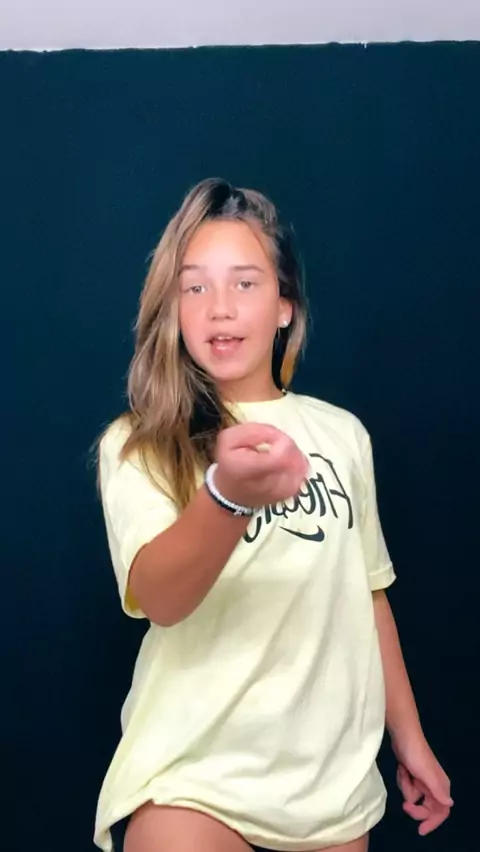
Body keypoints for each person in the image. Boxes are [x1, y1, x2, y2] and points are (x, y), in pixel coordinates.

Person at [94, 178, 452, 852]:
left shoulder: (342, 436)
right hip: (192, 778)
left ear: (285, 304)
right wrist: (227, 496)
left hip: (329, 791)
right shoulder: (140, 442)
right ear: (173, 308)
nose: (219, 308)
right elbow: (161, 599)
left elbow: (366, 596)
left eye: (245, 283)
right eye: (194, 287)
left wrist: (410, 740)